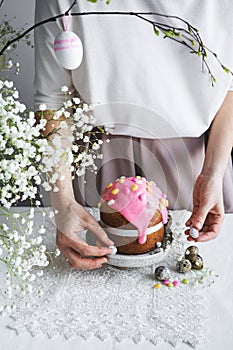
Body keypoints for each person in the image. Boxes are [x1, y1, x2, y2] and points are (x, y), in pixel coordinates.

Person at [34, 0, 233, 270]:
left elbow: (230, 87)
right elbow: (52, 100)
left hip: (196, 168)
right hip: (98, 164)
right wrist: (63, 201)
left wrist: (213, 172)